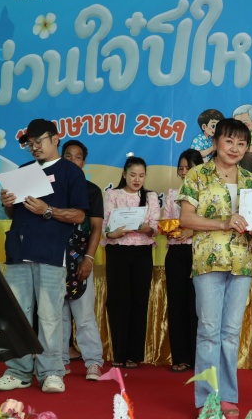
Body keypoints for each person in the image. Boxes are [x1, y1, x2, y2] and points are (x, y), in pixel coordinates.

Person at [0, 119, 88, 394]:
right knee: (18, 314)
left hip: (52, 252)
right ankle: (18, 371)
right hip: (19, 251)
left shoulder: (71, 172)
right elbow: (14, 213)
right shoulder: (23, 172)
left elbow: (79, 215)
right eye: (30, 144)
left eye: (38, 141)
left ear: (55, 139)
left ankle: (51, 372)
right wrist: (8, 204)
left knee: (49, 315)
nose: (34, 147)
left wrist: (48, 210)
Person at [178, 119, 252, 418]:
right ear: (215, 143)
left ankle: (227, 396)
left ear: (247, 147)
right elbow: (186, 219)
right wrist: (223, 223)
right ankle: (207, 399)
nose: (235, 148)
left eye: (241, 143)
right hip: (208, 261)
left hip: (242, 263)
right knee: (209, 331)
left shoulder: (251, 179)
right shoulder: (198, 174)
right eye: (229, 141)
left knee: (231, 332)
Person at [101, 156, 159, 369]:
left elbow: (156, 227)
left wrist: (148, 229)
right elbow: (105, 226)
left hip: (142, 252)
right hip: (117, 252)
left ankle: (134, 354)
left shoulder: (150, 196)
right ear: (124, 174)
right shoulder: (112, 195)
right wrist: (112, 233)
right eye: (133, 175)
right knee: (118, 302)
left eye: (141, 176)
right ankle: (119, 353)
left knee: (139, 301)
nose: (137, 180)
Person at [60, 140, 105, 381]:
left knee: (85, 314)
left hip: (80, 258)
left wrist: (88, 258)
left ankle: (93, 362)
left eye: (77, 157)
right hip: (54, 258)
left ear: (83, 162)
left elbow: (96, 227)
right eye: (68, 156)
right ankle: (59, 362)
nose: (72, 160)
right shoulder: (53, 188)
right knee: (57, 315)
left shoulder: (91, 190)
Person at [161, 148, 204, 373]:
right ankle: (181, 357)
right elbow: (165, 222)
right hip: (176, 253)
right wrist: (172, 229)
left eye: (189, 167)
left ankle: (199, 358)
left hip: (199, 253)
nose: (185, 171)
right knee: (177, 305)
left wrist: (192, 231)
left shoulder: (207, 192)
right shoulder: (172, 194)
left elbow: (214, 222)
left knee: (197, 306)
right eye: (181, 168)